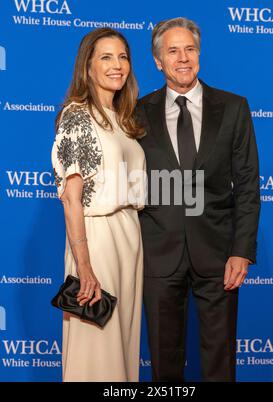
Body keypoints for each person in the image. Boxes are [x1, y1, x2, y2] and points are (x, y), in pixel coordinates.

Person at [137, 17, 260, 382]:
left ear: (199, 54)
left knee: (220, 360)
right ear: (158, 61)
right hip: (159, 252)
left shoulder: (234, 107)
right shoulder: (136, 112)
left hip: (219, 252)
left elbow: (249, 185)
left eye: (190, 49)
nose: (183, 58)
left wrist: (242, 250)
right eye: (172, 51)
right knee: (164, 363)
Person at [51, 28, 146, 382]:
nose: (117, 65)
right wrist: (84, 265)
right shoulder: (78, 115)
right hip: (98, 238)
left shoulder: (124, 119)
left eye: (122, 57)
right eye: (106, 57)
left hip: (128, 236)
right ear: (87, 66)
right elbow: (72, 199)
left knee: (121, 346)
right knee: (97, 348)